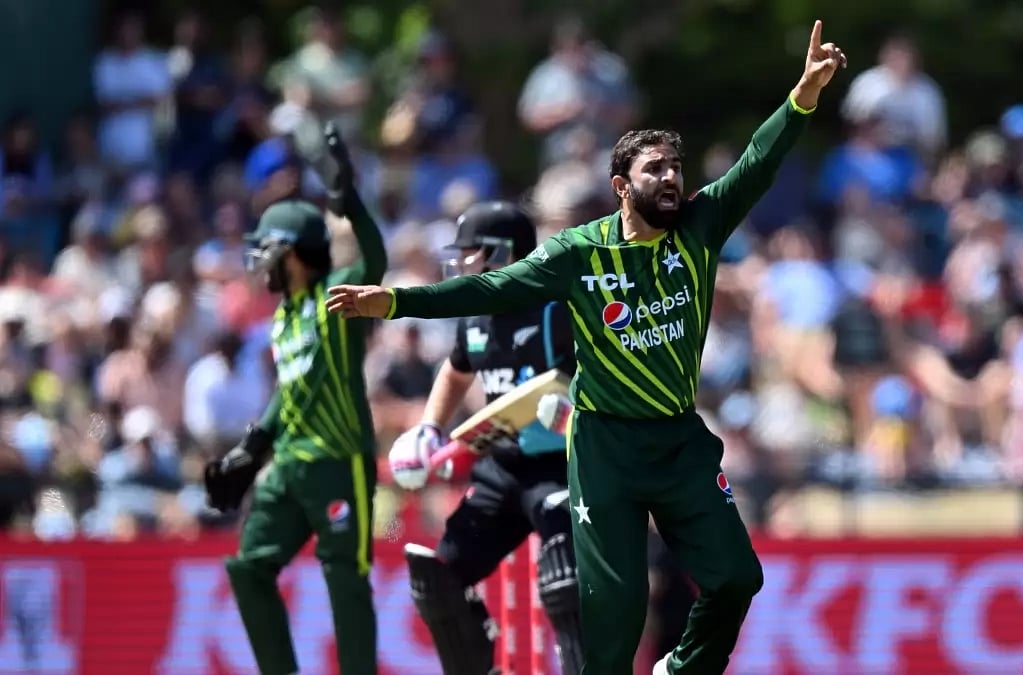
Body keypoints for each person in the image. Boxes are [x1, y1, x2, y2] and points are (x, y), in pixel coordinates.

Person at [325, 20, 847, 675]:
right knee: (613, 615)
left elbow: (758, 162)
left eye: (676, 168)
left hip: (679, 439)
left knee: (738, 577)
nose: (671, 179)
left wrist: (802, 96)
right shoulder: (579, 252)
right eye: (655, 168)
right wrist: (395, 301)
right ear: (621, 184)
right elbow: (489, 287)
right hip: (605, 449)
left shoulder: (701, 226)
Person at [202, 123, 386, 675]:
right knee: (249, 567)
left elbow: (375, 261)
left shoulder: (340, 300)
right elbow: (291, 392)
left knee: (345, 580)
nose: (258, 264)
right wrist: (253, 447)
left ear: (295, 253)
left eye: (267, 251)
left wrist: (346, 198)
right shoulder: (281, 318)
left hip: (338, 460)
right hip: (289, 466)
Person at [391, 200, 584, 674]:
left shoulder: (555, 309)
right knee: (437, 580)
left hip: (560, 467)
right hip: (500, 468)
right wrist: (429, 427)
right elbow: (455, 372)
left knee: (565, 584)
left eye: (471, 252)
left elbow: (602, 373)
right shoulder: (475, 316)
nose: (462, 264)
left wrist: (574, 406)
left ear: (501, 254)